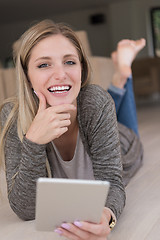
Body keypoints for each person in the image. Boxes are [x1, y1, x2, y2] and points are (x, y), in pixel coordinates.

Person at [0, 19, 143, 240]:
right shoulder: (12, 116)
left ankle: (123, 73)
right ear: (27, 76)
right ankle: (119, 77)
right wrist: (34, 142)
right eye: (43, 64)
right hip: (92, 109)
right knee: (101, 103)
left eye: (69, 62)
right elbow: (26, 209)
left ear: (82, 69)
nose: (60, 74)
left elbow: (113, 182)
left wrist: (107, 216)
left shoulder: (95, 102)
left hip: (125, 144)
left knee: (119, 119)